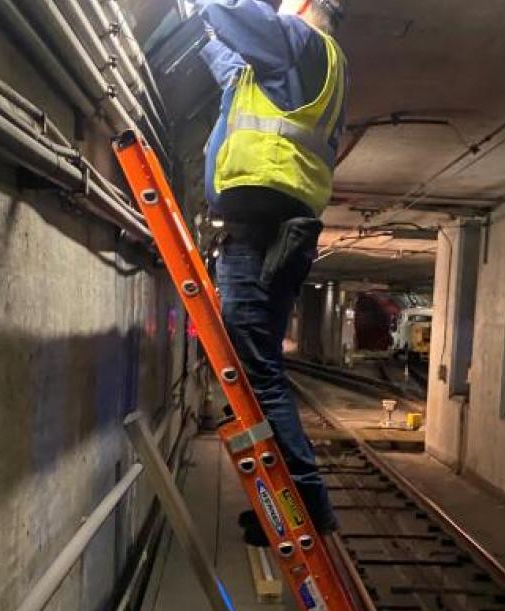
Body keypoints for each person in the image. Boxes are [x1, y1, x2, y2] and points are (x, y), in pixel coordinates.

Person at [195, 0, 348, 542]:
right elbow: (230, 63)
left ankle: (304, 502)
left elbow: (235, 13)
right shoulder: (283, 71)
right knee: (255, 363)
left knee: (256, 367)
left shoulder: (305, 47)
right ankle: (290, 503)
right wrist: (204, 29)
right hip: (274, 226)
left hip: (264, 230)